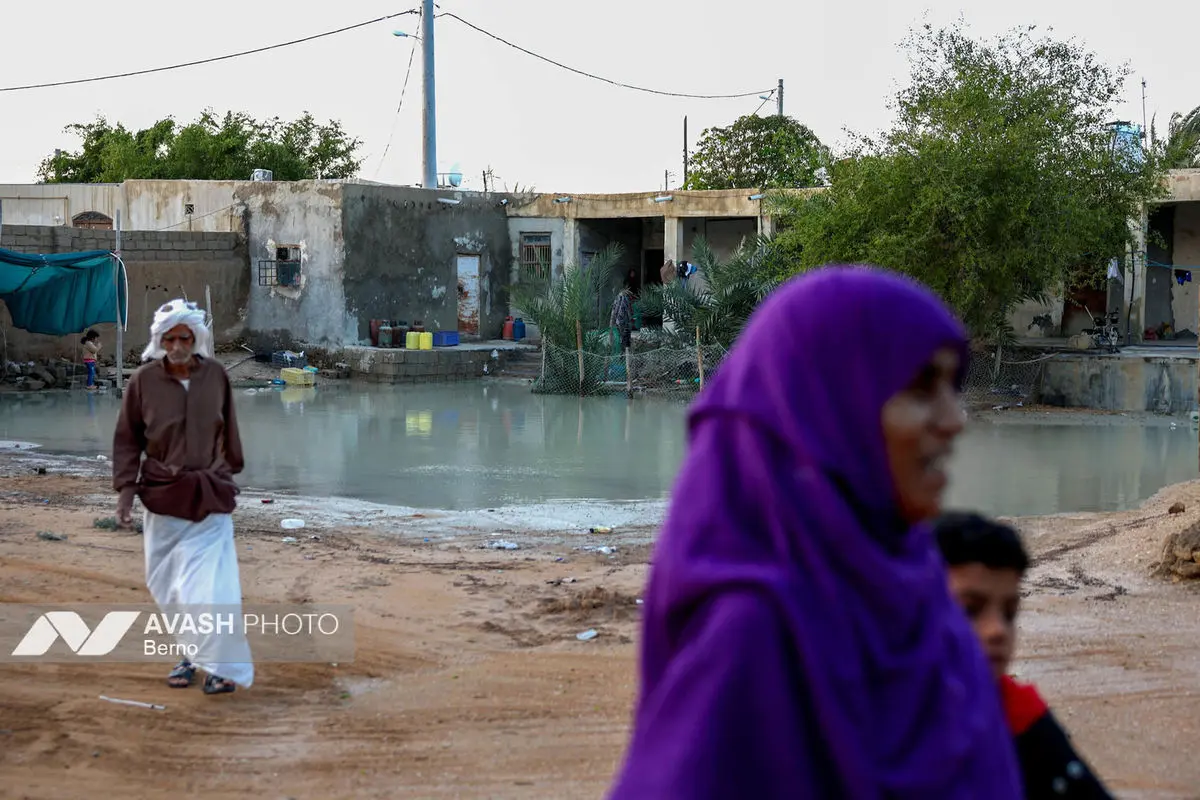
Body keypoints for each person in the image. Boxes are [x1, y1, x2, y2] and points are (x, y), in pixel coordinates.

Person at [608, 265, 1022, 799]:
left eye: (952, 386)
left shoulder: (918, 592)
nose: (955, 419)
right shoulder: (755, 636)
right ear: (824, 413)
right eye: (922, 388)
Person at [111, 299, 253, 696]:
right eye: (170, 338)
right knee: (171, 586)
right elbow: (127, 440)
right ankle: (191, 655)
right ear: (160, 340)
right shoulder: (142, 382)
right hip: (163, 495)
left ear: (196, 339)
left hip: (209, 494)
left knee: (212, 586)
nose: (177, 345)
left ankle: (221, 667)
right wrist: (125, 494)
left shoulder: (216, 376)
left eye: (184, 337)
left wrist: (226, 470)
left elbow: (231, 432)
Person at [933, 511, 1116, 799]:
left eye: (1009, 613)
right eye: (970, 610)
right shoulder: (861, 718)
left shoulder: (1019, 718)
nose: (997, 631)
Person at [610, 280, 635, 353]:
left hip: (619, 322)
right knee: (624, 341)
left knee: (620, 340)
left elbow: (615, 310)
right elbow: (623, 312)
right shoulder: (624, 297)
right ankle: (623, 356)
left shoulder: (619, 297)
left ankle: (622, 355)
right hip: (623, 323)